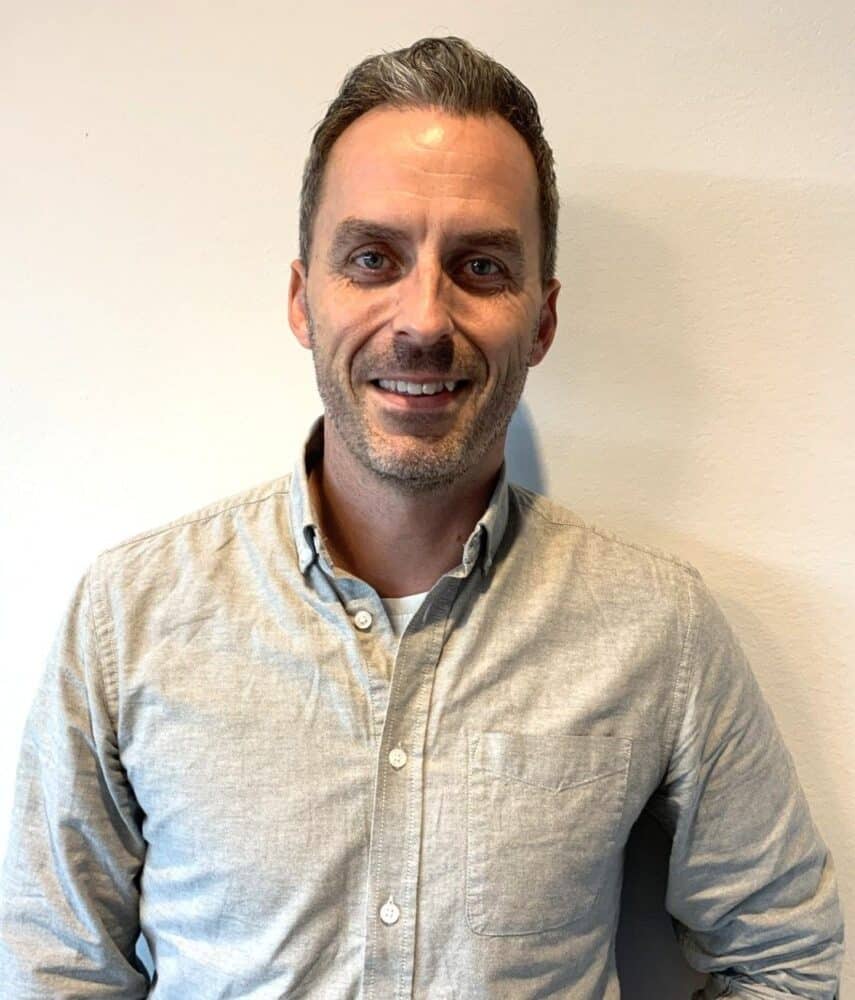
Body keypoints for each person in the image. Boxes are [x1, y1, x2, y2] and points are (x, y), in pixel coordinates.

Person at [0, 35, 843, 1000]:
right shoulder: (129, 617)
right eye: (372, 259)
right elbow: (53, 969)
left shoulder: (657, 630)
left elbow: (782, 955)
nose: (423, 321)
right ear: (302, 300)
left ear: (541, 319)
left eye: (480, 266)